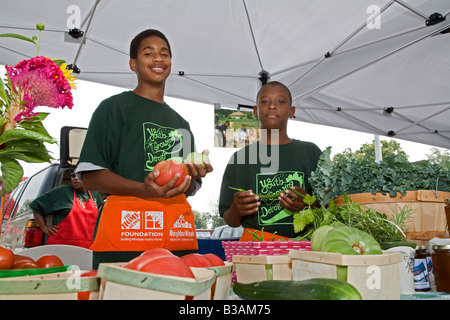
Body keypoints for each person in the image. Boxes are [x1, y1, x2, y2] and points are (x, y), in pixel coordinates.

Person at [76, 29, 213, 268]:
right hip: (126, 239)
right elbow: (90, 176)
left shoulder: (182, 124)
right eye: (148, 53)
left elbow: (190, 188)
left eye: (164, 54)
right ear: (133, 64)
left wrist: (193, 175)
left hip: (176, 240)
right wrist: (143, 189)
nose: (158, 59)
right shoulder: (113, 108)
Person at [219, 81, 322, 238]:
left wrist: (309, 204)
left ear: (291, 111)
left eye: (280, 101)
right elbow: (231, 220)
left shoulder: (310, 152)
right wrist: (236, 210)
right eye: (265, 101)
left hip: (302, 250)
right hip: (255, 251)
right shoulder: (240, 158)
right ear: (255, 111)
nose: (272, 106)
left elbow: (331, 208)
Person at [30, 170, 104, 249]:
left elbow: (102, 211)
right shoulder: (62, 191)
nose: (75, 178)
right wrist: (44, 226)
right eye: (73, 175)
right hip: (62, 246)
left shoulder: (95, 194)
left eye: (79, 175)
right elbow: (36, 206)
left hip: (88, 247)